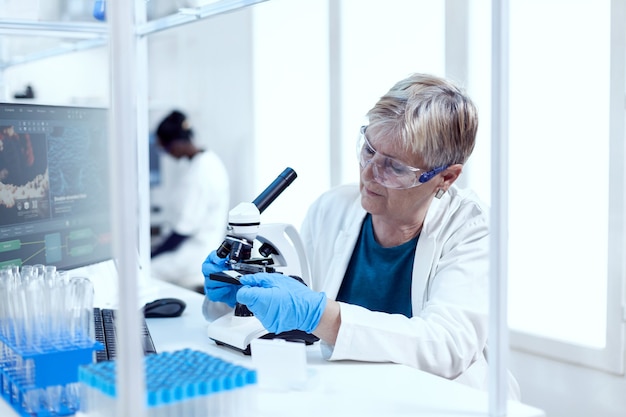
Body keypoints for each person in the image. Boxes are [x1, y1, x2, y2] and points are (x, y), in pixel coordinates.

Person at [201, 73, 520, 398]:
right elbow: (291, 321)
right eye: (368, 149)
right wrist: (237, 297)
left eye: (394, 168)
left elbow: (447, 345)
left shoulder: (473, 228)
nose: (368, 173)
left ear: (447, 177)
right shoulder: (332, 208)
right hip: (351, 395)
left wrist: (319, 314)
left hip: (439, 400)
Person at [151, 110, 230, 292]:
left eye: (165, 148)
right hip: (203, 248)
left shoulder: (198, 175)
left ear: (176, 144)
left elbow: (181, 232)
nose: (167, 154)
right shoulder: (209, 160)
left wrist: (151, 254)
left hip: (190, 259)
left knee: (141, 272)